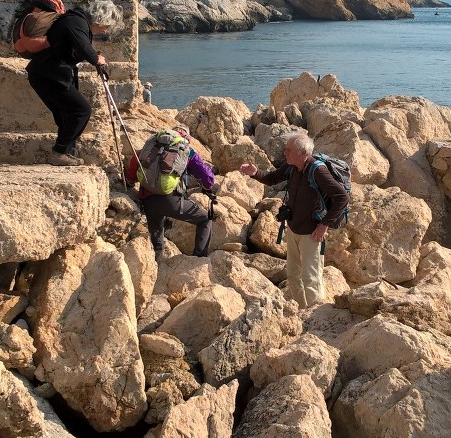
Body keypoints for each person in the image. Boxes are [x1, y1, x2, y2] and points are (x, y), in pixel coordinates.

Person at [239, 132, 348, 309]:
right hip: (293, 228)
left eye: (289, 150)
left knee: (310, 278)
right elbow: (272, 178)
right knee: (293, 275)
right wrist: (255, 172)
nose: (285, 153)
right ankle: (302, 311)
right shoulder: (292, 167)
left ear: (303, 153)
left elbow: (342, 197)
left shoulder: (318, 171)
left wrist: (324, 226)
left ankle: (315, 316)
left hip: (311, 234)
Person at [25, 0, 123, 166]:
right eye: (107, 26)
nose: (106, 31)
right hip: (48, 74)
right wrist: (96, 59)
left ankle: (67, 151)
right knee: (81, 110)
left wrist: (94, 57)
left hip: (47, 73)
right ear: (101, 20)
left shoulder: (78, 22)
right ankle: (59, 153)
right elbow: (83, 46)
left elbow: (78, 47)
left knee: (66, 113)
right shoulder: (76, 22)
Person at [125, 125, 216, 262]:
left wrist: (129, 181)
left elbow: (135, 160)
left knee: (157, 240)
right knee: (205, 219)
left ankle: (157, 266)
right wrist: (207, 187)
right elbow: (208, 177)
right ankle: (199, 259)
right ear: (186, 138)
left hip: (147, 199)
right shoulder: (186, 150)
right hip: (170, 201)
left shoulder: (154, 144)